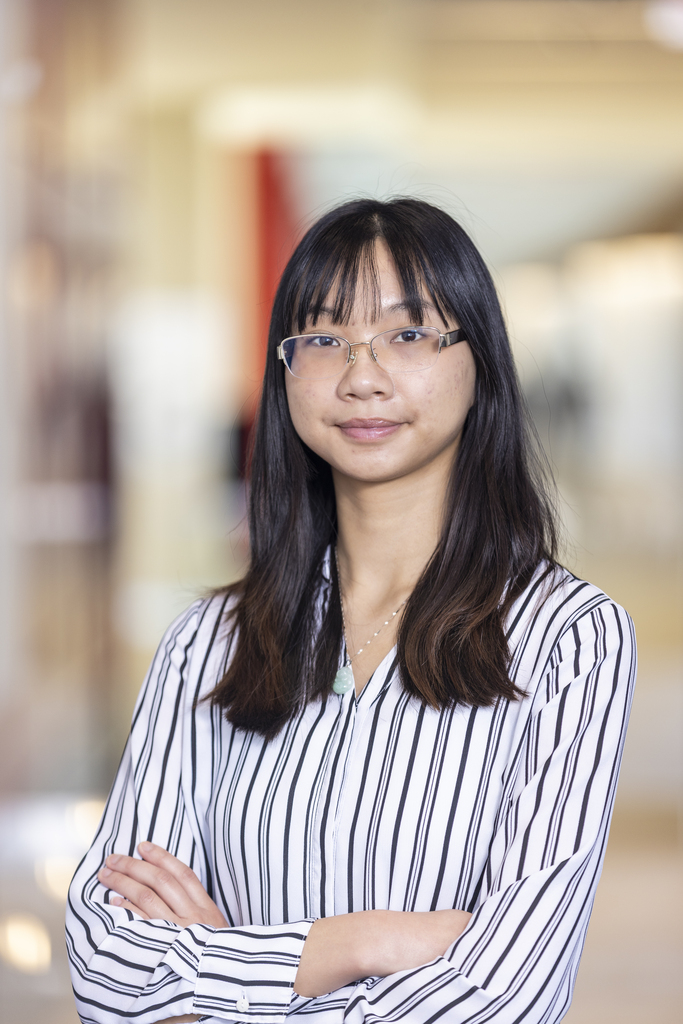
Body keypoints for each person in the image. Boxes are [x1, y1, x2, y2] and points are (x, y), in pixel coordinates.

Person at [66, 198, 636, 1024]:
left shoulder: (567, 640)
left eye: (407, 336)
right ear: (285, 370)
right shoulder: (208, 644)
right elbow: (106, 970)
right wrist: (354, 945)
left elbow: (501, 996)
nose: (361, 375)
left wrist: (221, 976)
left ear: (481, 360)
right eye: (324, 338)